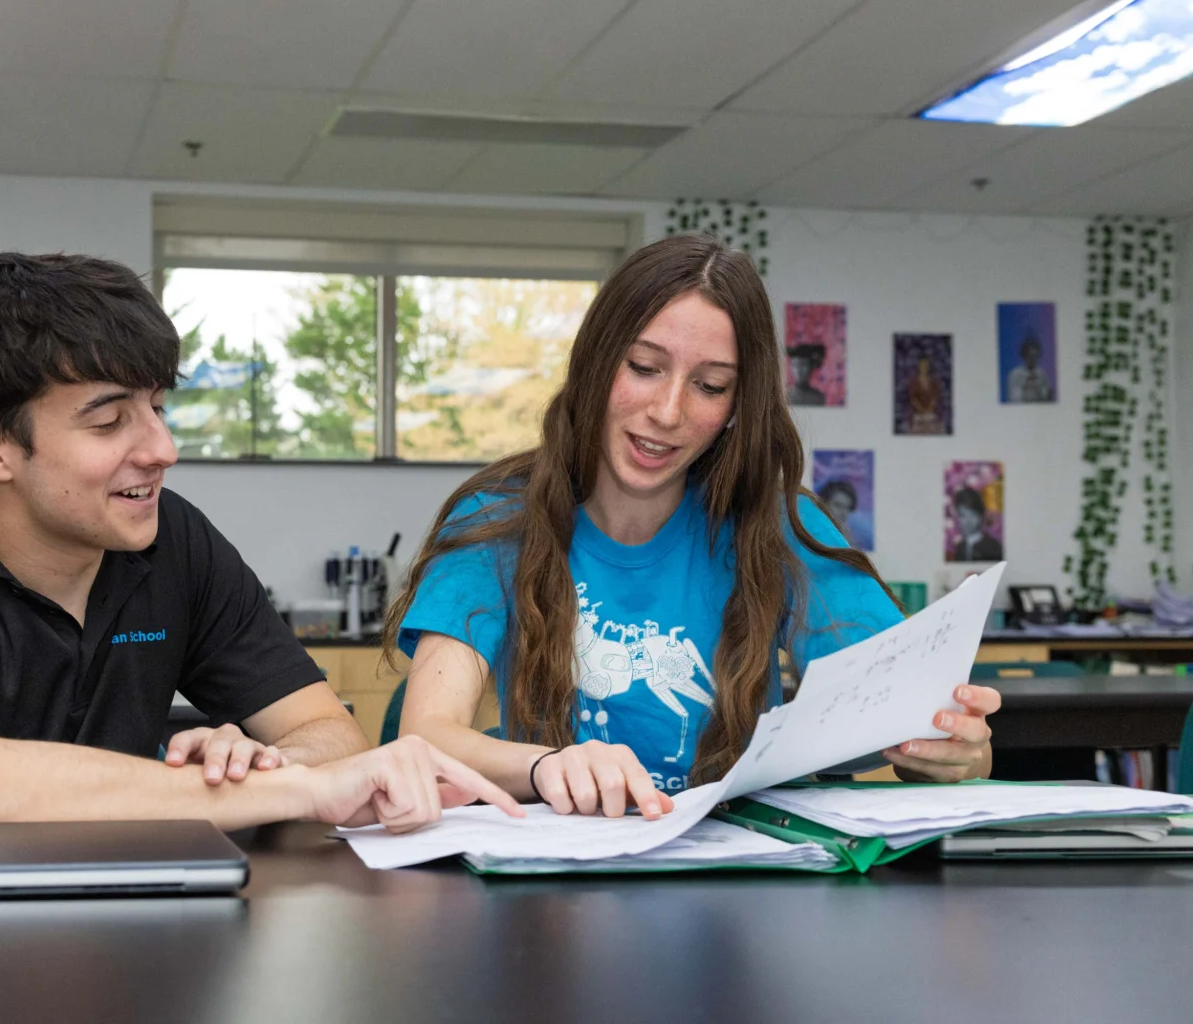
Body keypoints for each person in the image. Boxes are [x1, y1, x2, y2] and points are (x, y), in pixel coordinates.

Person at [0, 253, 519, 832]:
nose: (162, 449)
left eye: (156, 407)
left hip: (128, 939)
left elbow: (329, 735)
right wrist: (286, 794)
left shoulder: (172, 544)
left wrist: (256, 766)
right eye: (108, 420)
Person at [384, 235, 999, 820]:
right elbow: (426, 738)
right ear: (596, 364)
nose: (668, 412)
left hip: (742, 884)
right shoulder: (499, 518)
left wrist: (954, 751)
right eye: (644, 367)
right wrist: (548, 765)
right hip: (561, 885)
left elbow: (910, 720)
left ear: (737, 407)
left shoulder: (780, 524)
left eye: (710, 386)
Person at [949, 487, 1003, 562]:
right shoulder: (959, 548)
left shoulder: (993, 548)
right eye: (963, 515)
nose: (967, 521)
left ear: (980, 516)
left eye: (972, 516)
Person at [1006, 334, 1053, 403]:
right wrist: (1025, 387)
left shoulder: (1042, 374)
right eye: (1030, 356)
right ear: (1024, 356)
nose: (1033, 359)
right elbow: (1012, 398)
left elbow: (1047, 398)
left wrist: (1040, 389)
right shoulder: (1015, 374)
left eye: (1035, 356)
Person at [904, 355, 943, 434]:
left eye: (926, 365)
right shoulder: (914, 382)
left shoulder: (934, 382)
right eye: (922, 365)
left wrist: (929, 410)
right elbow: (913, 399)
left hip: (931, 412)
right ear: (919, 366)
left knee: (933, 423)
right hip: (917, 413)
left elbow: (935, 398)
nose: (924, 367)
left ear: (929, 366)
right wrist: (922, 410)